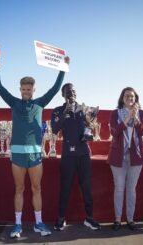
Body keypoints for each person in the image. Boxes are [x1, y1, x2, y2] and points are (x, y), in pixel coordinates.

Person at [0, 50, 70, 238]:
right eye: (23, 89)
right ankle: (17, 225)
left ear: (34, 90)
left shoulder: (40, 103)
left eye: (29, 89)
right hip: (17, 156)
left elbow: (54, 88)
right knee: (19, 189)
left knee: (37, 189)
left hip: (35, 155)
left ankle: (39, 223)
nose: (26, 92)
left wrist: (63, 69)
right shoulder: (13, 102)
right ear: (20, 90)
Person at [51, 83, 101, 231]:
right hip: (68, 155)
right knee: (65, 187)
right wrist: (64, 112)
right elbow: (54, 129)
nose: (70, 94)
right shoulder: (58, 111)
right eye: (67, 92)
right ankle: (61, 218)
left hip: (83, 154)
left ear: (76, 93)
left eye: (73, 91)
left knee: (86, 187)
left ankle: (90, 218)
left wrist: (89, 121)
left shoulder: (84, 109)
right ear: (63, 95)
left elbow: (91, 129)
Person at [107, 87, 143, 231]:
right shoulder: (115, 113)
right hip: (118, 157)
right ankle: (117, 219)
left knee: (131, 189)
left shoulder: (141, 113)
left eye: (132, 96)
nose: (130, 98)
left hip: (135, 156)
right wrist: (127, 117)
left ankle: (130, 219)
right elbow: (114, 132)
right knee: (119, 189)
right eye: (127, 96)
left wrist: (135, 117)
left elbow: (142, 131)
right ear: (122, 98)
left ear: (135, 98)